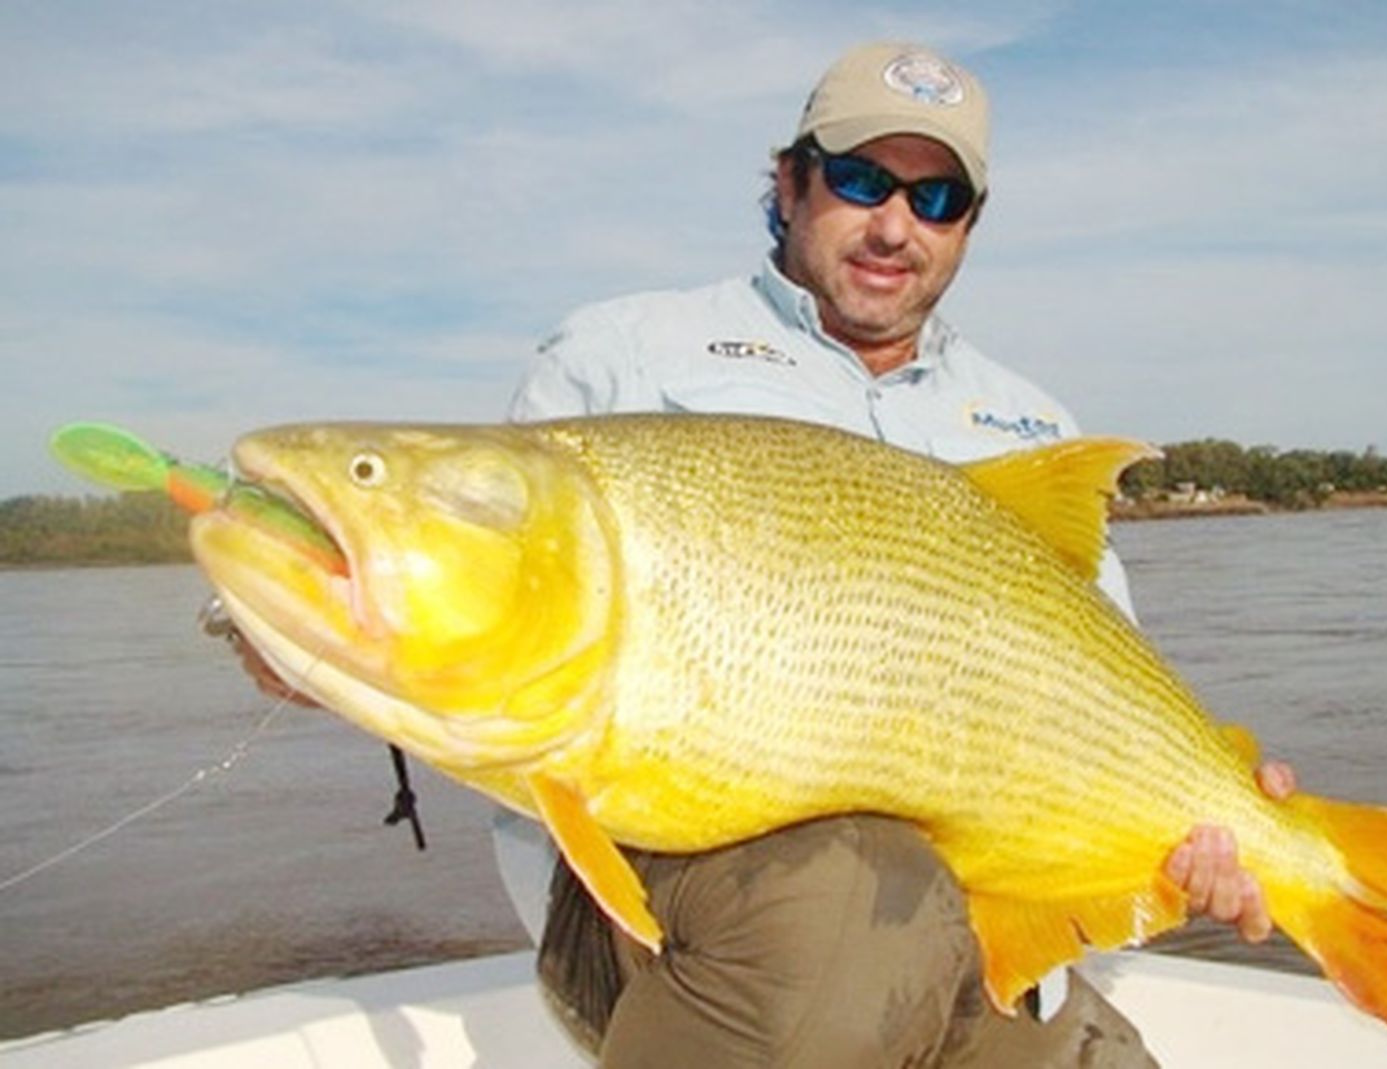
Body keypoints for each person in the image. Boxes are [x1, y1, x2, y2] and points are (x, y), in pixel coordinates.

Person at [232, 40, 1296, 1067]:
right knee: (846, 902)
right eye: (861, 178)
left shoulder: (1031, 423)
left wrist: (1214, 808)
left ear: (969, 225)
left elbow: (1108, 701)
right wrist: (293, 620)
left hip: (969, 946)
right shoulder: (620, 353)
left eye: (936, 200)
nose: (894, 225)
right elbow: (455, 575)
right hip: (670, 937)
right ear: (789, 183)